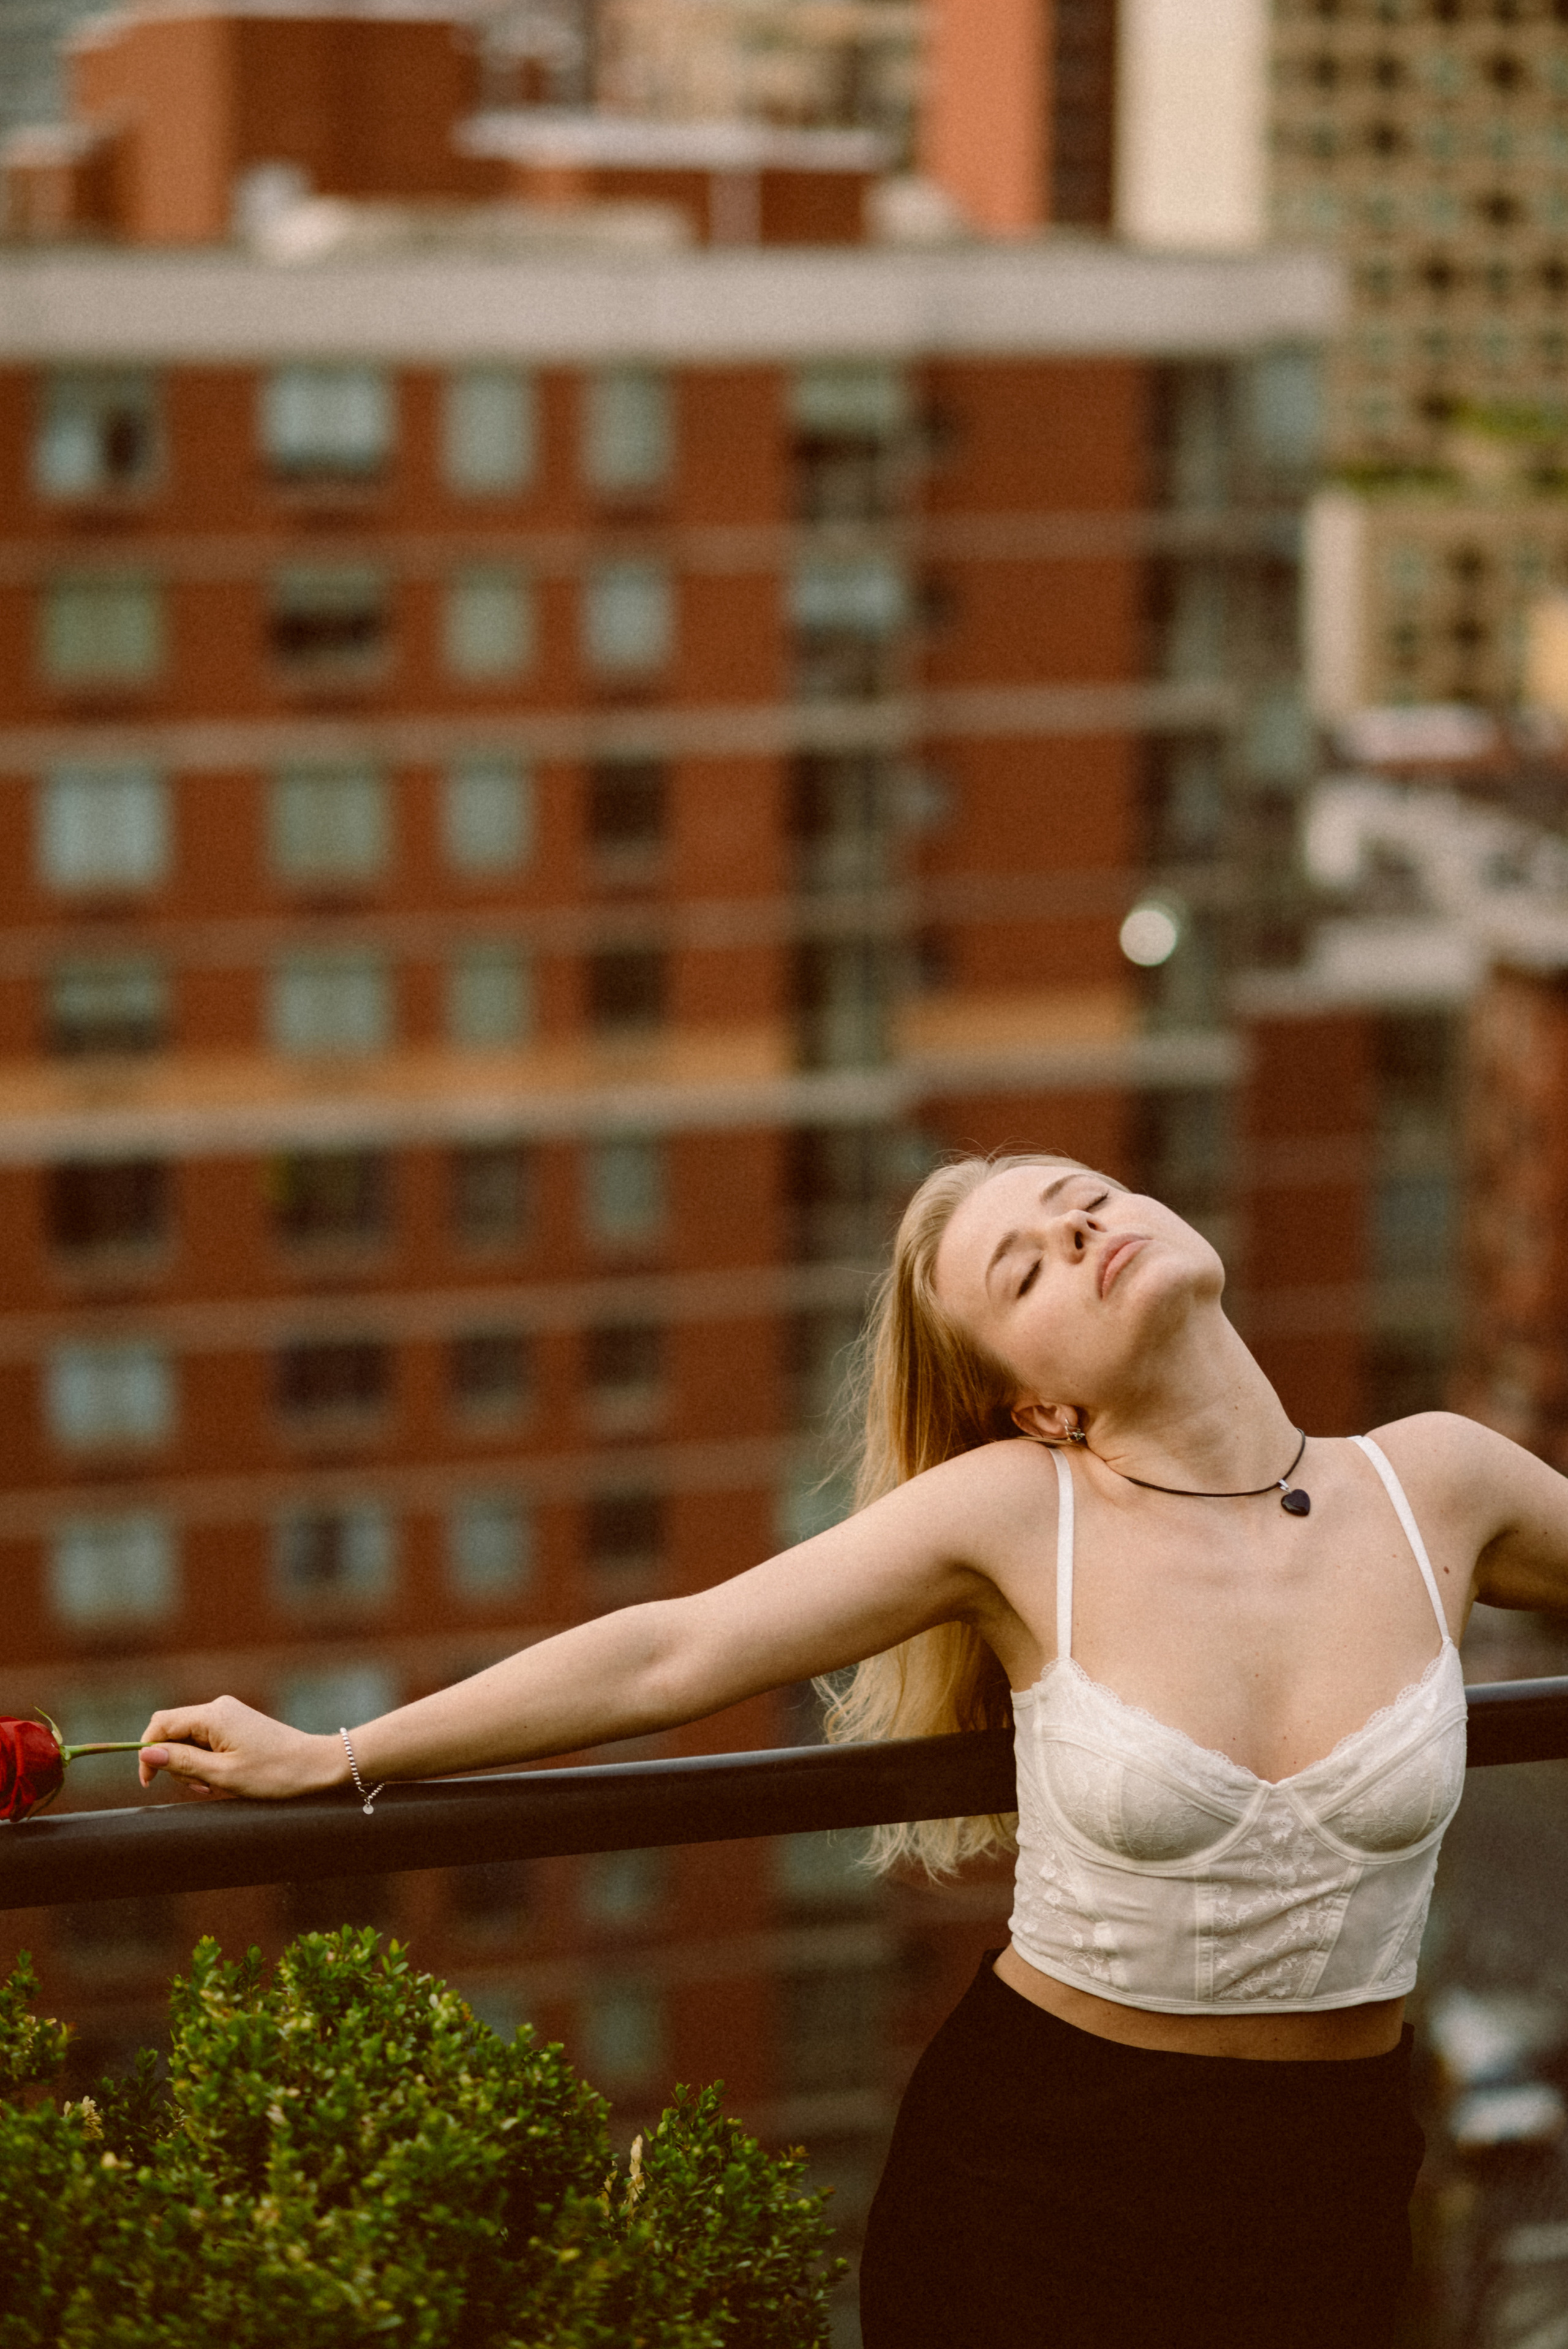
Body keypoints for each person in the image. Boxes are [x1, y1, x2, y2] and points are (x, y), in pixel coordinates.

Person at [137, 1151, 1568, 2348]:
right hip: (1040, 2172)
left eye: (1081, 1201)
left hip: (1328, 2173)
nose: (1078, 1231)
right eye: (1025, 1270)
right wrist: (340, 1753)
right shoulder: (1019, 1513)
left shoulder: (1433, 1483)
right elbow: (671, 1652)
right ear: (1038, 1405)